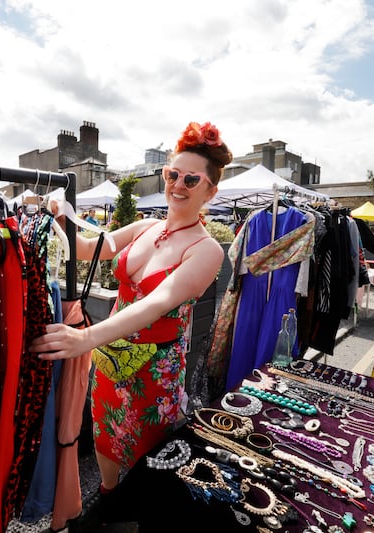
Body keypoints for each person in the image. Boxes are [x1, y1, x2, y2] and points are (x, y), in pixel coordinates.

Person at [30, 121, 231, 530]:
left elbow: (157, 303)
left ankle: (137, 515)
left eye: (192, 178)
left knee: (146, 452)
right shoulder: (147, 226)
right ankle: (107, 499)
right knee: (104, 432)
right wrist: (62, 215)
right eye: (171, 173)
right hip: (110, 358)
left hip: (154, 370)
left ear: (210, 190)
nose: (178, 184)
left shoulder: (207, 250)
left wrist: (84, 337)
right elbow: (89, 250)